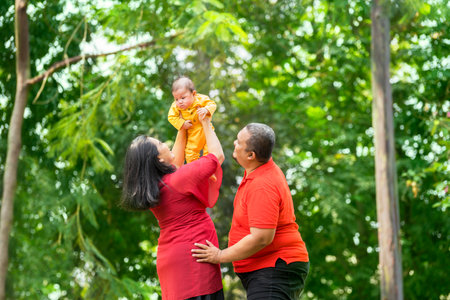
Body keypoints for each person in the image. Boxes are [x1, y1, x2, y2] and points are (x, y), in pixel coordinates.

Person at [192, 123, 309, 300]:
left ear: (250, 155)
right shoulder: (259, 170)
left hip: (275, 266)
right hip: (266, 268)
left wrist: (220, 255)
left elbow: (262, 237)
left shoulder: (262, 185)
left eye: (239, 142)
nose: (234, 143)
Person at [121, 114, 225, 300]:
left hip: (171, 261)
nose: (165, 143)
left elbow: (174, 161)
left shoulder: (158, 186)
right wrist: (206, 123)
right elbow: (217, 156)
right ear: (158, 160)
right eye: (160, 143)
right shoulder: (180, 179)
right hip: (194, 259)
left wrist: (182, 129)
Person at [168, 76, 217, 164]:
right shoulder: (175, 107)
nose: (179, 101)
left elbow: (212, 104)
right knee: (190, 153)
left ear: (193, 94)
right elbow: (171, 117)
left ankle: (209, 170)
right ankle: (193, 170)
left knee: (209, 151)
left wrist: (206, 110)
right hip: (192, 134)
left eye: (183, 98)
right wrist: (182, 123)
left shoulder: (201, 99)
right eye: (176, 99)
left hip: (206, 131)